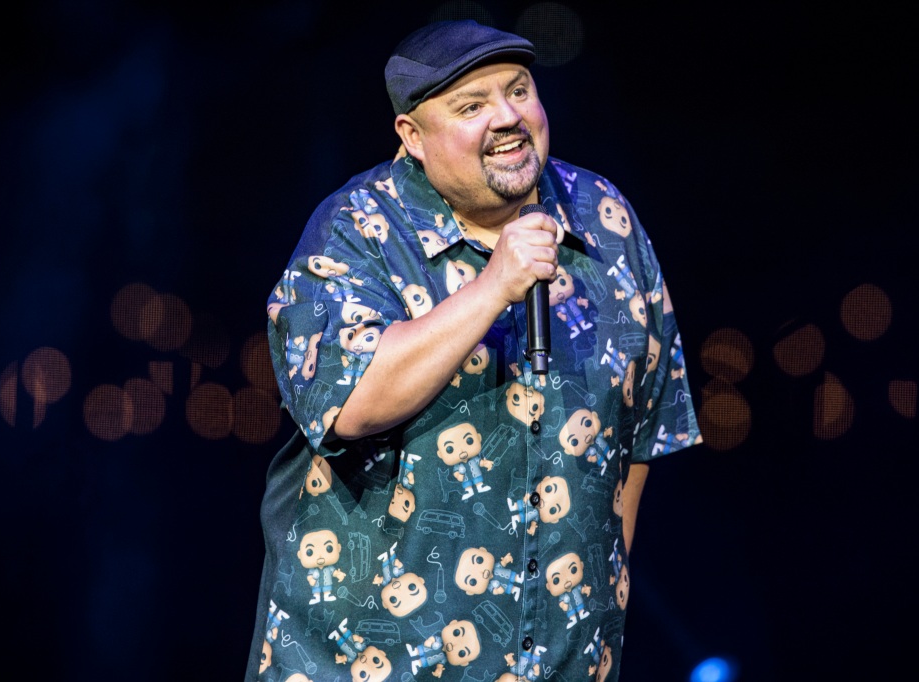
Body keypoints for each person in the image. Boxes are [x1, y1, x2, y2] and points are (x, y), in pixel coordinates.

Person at [246, 19, 701, 682]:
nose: (509, 118)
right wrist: (495, 287)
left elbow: (640, 434)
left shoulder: (603, 218)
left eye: (519, 91)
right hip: (373, 663)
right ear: (413, 137)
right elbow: (349, 405)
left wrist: (592, 613)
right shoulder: (356, 230)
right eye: (473, 106)